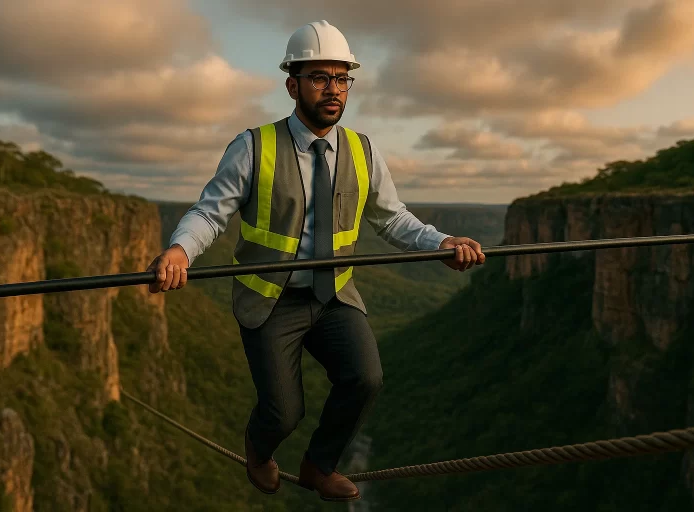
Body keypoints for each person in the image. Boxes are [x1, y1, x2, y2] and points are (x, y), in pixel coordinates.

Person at [146, 20, 485, 502]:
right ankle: (259, 451)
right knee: (283, 413)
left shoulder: (363, 150)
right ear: (292, 84)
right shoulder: (253, 147)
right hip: (271, 299)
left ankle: (318, 465)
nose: (333, 89)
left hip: (334, 295)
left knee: (365, 378)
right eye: (319, 77)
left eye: (342, 78)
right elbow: (210, 212)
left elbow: (393, 220)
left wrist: (441, 242)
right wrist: (180, 249)